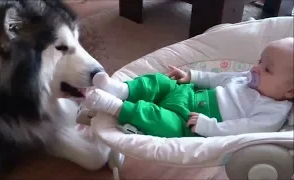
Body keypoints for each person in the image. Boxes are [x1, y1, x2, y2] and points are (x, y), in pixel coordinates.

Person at [83, 37, 294, 138]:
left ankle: (116, 106)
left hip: (190, 122)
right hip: (188, 92)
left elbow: (245, 130)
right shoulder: (248, 77)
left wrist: (210, 127)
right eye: (259, 61)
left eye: (267, 69)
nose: (256, 68)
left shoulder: (272, 111)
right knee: (160, 82)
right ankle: (122, 90)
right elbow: (220, 79)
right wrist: (192, 76)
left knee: (160, 121)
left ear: (290, 91)